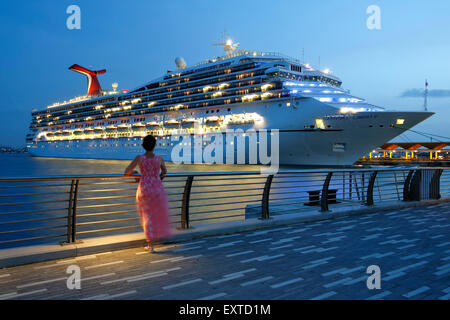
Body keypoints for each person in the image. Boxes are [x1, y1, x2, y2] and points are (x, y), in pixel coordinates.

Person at [124, 135, 171, 253]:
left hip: (144, 188)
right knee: (156, 214)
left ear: (143, 145)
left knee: (147, 215)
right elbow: (164, 171)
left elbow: (126, 172)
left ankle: (150, 244)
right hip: (157, 187)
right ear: (154, 145)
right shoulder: (159, 159)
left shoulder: (139, 158)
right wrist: (157, 177)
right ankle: (157, 237)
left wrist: (135, 173)